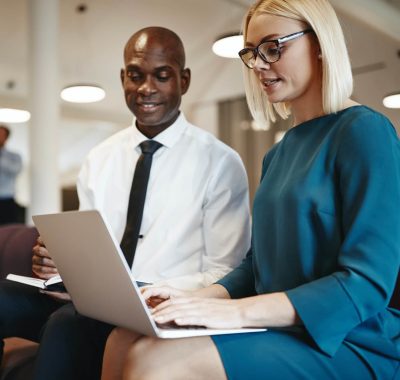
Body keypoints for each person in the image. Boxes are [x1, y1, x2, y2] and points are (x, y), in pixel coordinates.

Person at [103, 1, 400, 379]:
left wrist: (236, 311)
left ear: (320, 44)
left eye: (273, 47)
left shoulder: (364, 132)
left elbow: (367, 283)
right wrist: (190, 299)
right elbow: (254, 268)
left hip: (348, 338)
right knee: (124, 337)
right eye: (252, 53)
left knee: (157, 361)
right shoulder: (277, 155)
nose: (258, 64)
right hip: (278, 327)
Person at [0, 27, 251, 380]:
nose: (146, 89)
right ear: (123, 78)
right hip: (89, 300)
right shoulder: (100, 157)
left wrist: (142, 292)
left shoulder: (220, 163)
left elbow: (226, 271)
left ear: (184, 80)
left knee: (67, 325)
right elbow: (90, 251)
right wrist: (59, 268)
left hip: (163, 304)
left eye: (162, 76)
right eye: (135, 75)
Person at [0, 125, 22, 225]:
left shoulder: (14, 156)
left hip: (6, 200)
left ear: (6, 137)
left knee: (8, 230)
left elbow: (15, 170)